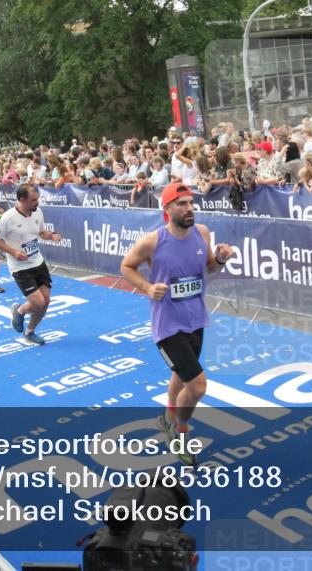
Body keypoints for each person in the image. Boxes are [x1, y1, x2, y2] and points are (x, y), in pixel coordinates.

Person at [119, 183, 233, 467]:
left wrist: (219, 259)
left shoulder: (202, 233)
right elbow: (126, 266)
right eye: (181, 203)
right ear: (167, 209)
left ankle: (167, 416)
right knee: (197, 386)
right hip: (167, 327)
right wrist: (146, 287)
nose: (189, 208)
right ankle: (180, 432)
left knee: (180, 379)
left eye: (191, 202)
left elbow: (209, 268)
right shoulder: (152, 241)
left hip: (195, 320)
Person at [0, 184, 63, 345]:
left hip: (38, 262)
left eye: (38, 199)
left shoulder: (38, 211)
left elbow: (41, 232)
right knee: (38, 303)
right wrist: (13, 252)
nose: (37, 203)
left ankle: (29, 332)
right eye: (33, 200)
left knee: (46, 302)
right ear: (22, 200)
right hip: (20, 267)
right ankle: (20, 310)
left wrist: (51, 236)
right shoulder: (8, 218)